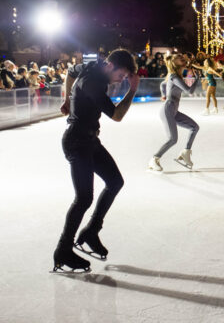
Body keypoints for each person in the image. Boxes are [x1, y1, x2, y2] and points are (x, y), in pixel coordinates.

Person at [53, 49, 139, 272]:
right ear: (110, 65)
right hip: (77, 142)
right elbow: (117, 116)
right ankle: (63, 250)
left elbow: (71, 72)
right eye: (121, 76)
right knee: (84, 198)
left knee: (115, 182)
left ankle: (91, 231)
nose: (121, 80)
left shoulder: (91, 67)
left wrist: (67, 99)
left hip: (90, 141)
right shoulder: (93, 82)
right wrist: (132, 91)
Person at [148, 53, 199, 172]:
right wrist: (197, 79)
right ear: (173, 63)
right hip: (168, 110)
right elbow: (189, 90)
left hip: (174, 111)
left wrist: (164, 93)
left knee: (194, 127)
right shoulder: (173, 76)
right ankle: (154, 159)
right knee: (173, 139)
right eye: (178, 58)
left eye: (182, 57)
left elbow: (163, 84)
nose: (182, 58)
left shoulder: (175, 77)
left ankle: (186, 153)